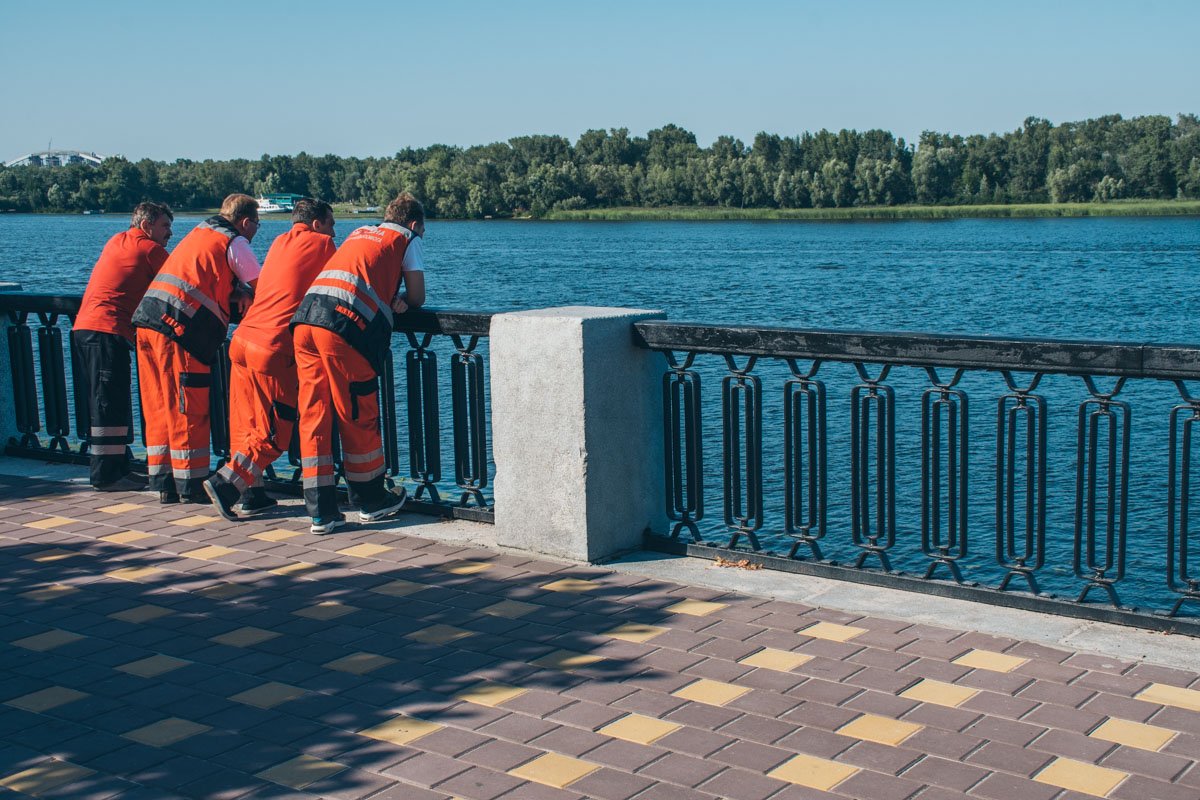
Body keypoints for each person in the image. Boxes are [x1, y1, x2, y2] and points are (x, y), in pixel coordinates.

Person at [290, 192, 426, 533]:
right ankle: (370, 501)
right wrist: (404, 303)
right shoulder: (406, 238)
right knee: (357, 411)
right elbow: (418, 297)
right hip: (343, 327)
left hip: (306, 320)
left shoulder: (359, 231)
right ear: (414, 224)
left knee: (314, 415)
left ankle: (321, 511)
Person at [203, 199, 337, 519]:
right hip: (273, 348)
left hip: (243, 339)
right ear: (317, 224)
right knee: (274, 433)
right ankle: (226, 484)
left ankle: (253, 494)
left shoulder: (279, 242)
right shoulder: (323, 244)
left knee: (248, 426)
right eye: (331, 223)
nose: (334, 231)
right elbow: (339, 285)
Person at [131, 193, 263, 503]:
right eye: (257, 223)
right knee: (185, 407)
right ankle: (190, 485)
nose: (256, 229)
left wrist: (233, 289)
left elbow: (200, 275)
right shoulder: (235, 241)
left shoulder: (202, 231)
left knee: (158, 405)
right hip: (179, 330)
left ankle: (164, 482)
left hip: (148, 322)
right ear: (245, 222)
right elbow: (264, 287)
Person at [72, 202, 174, 490]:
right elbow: (182, 281)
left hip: (85, 328)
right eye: (165, 226)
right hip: (107, 330)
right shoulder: (149, 249)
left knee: (106, 399)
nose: (170, 233)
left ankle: (119, 467)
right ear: (147, 225)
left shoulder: (117, 240)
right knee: (108, 404)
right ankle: (106, 476)